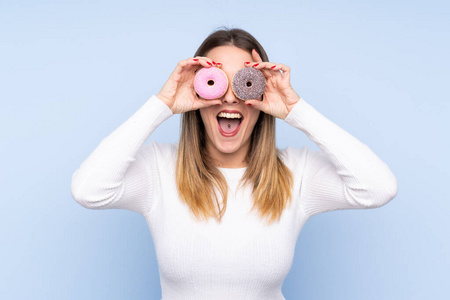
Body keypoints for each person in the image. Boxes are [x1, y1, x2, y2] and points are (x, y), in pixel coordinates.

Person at [70, 28, 398, 300]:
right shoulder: (159, 169)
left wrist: (296, 110)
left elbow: (379, 188)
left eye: (243, 82)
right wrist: (163, 104)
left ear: (261, 94)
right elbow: (88, 190)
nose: (229, 97)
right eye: (216, 82)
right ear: (198, 92)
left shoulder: (296, 175)